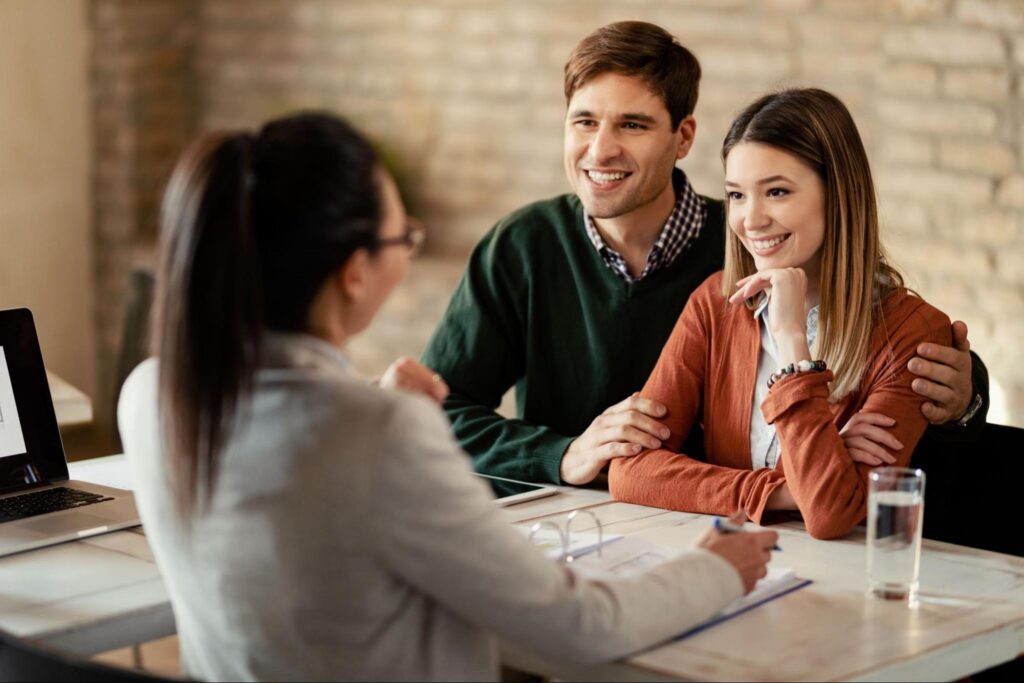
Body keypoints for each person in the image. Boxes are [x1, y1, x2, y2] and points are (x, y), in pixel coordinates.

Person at [117, 112, 777, 682]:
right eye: (404, 237)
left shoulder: (148, 394)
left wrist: (368, 404)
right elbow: (576, 623)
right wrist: (716, 569)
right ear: (354, 272)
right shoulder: (378, 430)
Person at [421, 21, 987, 488]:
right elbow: (435, 412)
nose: (601, 149)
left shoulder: (753, 247)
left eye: (632, 124)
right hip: (568, 520)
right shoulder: (524, 245)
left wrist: (966, 393)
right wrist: (561, 455)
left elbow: (874, 323)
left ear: (684, 137)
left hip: (715, 521)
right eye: (584, 121)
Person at [609, 88, 952, 540]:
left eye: (776, 191)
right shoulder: (716, 302)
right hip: (730, 564)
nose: (751, 220)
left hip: (844, 584)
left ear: (838, 195)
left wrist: (793, 343)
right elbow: (629, 471)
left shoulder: (911, 330)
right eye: (736, 195)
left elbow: (830, 514)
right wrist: (784, 492)